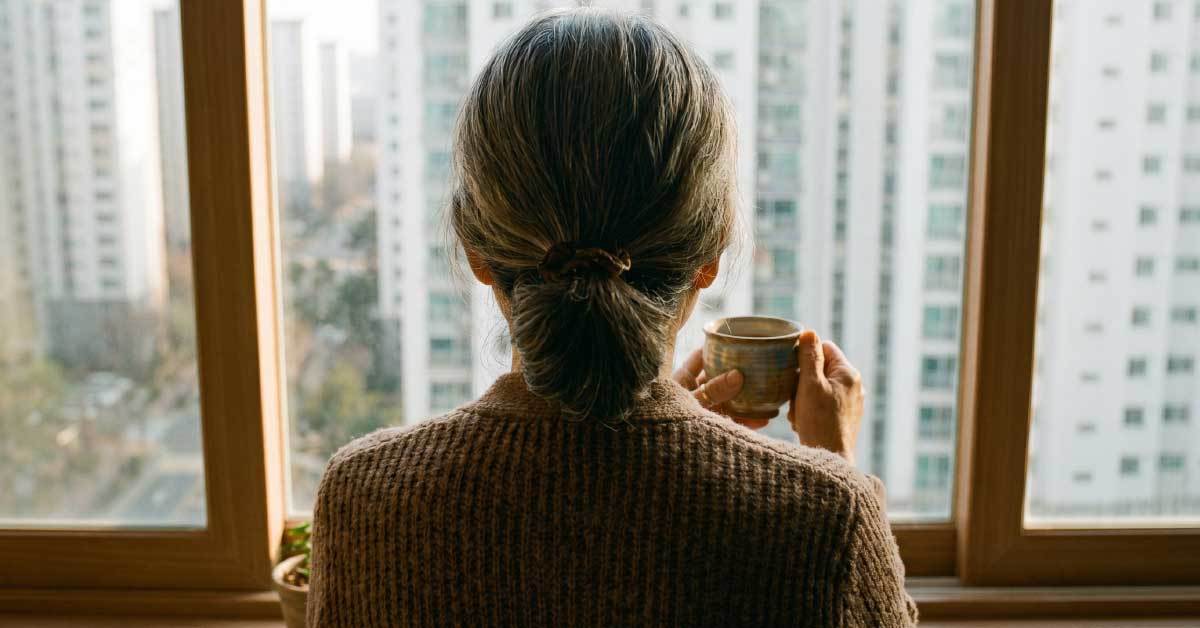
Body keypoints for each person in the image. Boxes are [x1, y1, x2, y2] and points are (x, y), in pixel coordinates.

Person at [308, 8, 916, 627]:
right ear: (712, 254)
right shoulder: (824, 518)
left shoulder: (363, 499)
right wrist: (835, 467)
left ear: (476, 252)